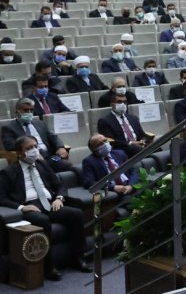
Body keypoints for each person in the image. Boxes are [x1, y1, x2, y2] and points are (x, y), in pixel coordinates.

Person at [0, 136, 92, 280]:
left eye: (35, 146)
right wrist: (21, 208)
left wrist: (59, 198)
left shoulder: (43, 165)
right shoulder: (9, 172)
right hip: (30, 207)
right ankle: (49, 266)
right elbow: (2, 198)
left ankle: (79, 258)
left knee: (76, 214)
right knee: (42, 220)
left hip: (50, 203)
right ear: (18, 153)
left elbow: (59, 185)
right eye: (28, 148)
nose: (34, 150)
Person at [1, 99, 72, 171]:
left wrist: (60, 147)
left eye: (31, 110)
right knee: (45, 171)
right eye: (25, 110)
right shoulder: (8, 128)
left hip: (49, 158)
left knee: (67, 165)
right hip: (30, 160)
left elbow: (52, 136)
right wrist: (32, 151)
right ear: (17, 111)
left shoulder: (39, 123)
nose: (29, 113)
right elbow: (10, 146)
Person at [82, 134, 138, 211]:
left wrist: (131, 185)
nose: (105, 144)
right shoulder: (89, 161)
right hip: (118, 193)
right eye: (100, 144)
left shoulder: (120, 153)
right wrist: (113, 187)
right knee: (132, 203)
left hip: (132, 187)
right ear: (93, 149)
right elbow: (89, 182)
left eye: (105, 141)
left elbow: (133, 170)